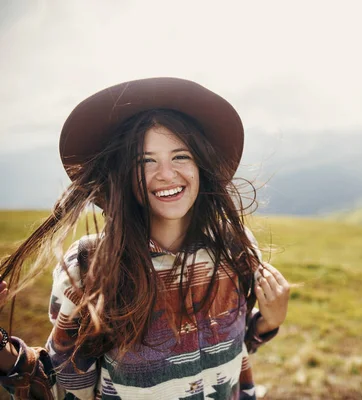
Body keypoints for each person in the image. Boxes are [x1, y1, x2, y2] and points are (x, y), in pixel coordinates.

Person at [0, 77, 290, 399]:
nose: (166, 174)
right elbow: (63, 388)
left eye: (180, 156)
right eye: (145, 161)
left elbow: (230, 349)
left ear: (201, 164)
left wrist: (268, 321)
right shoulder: (93, 266)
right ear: (123, 175)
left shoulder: (234, 246)